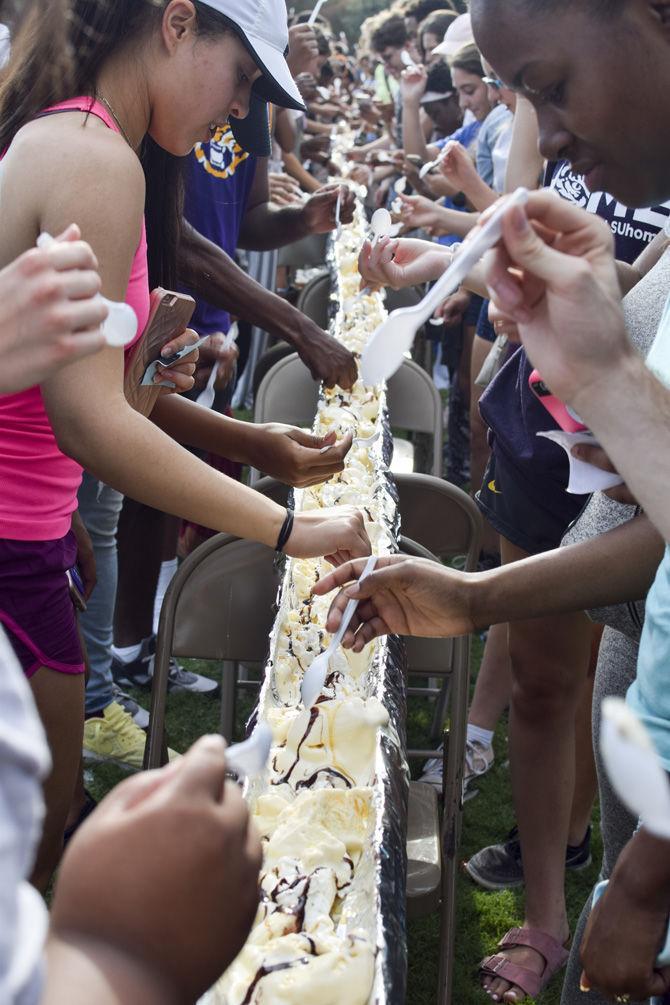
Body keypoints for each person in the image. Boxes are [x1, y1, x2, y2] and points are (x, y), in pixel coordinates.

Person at [0, 0, 370, 893]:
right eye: (242, 78)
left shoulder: (98, 145)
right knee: (30, 855)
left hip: (36, 536)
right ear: (175, 24)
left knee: (36, 842)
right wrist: (290, 529)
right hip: (14, 545)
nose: (241, 112)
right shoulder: (94, 157)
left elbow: (80, 401)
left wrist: (251, 442)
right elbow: (92, 423)